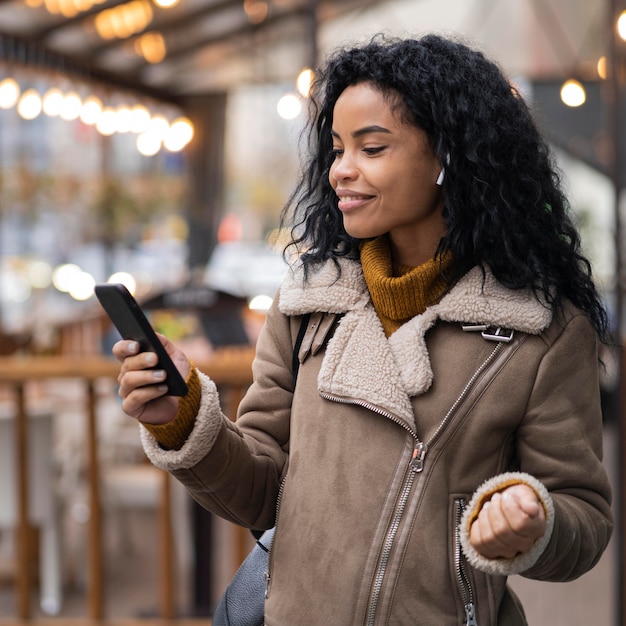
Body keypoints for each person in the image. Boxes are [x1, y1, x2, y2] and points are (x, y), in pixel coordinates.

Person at [113, 33, 614, 625]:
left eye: (371, 148)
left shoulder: (541, 330)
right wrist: (181, 415)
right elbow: (260, 492)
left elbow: (583, 516)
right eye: (336, 149)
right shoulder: (307, 303)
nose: (340, 172)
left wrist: (532, 520)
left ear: (449, 157)